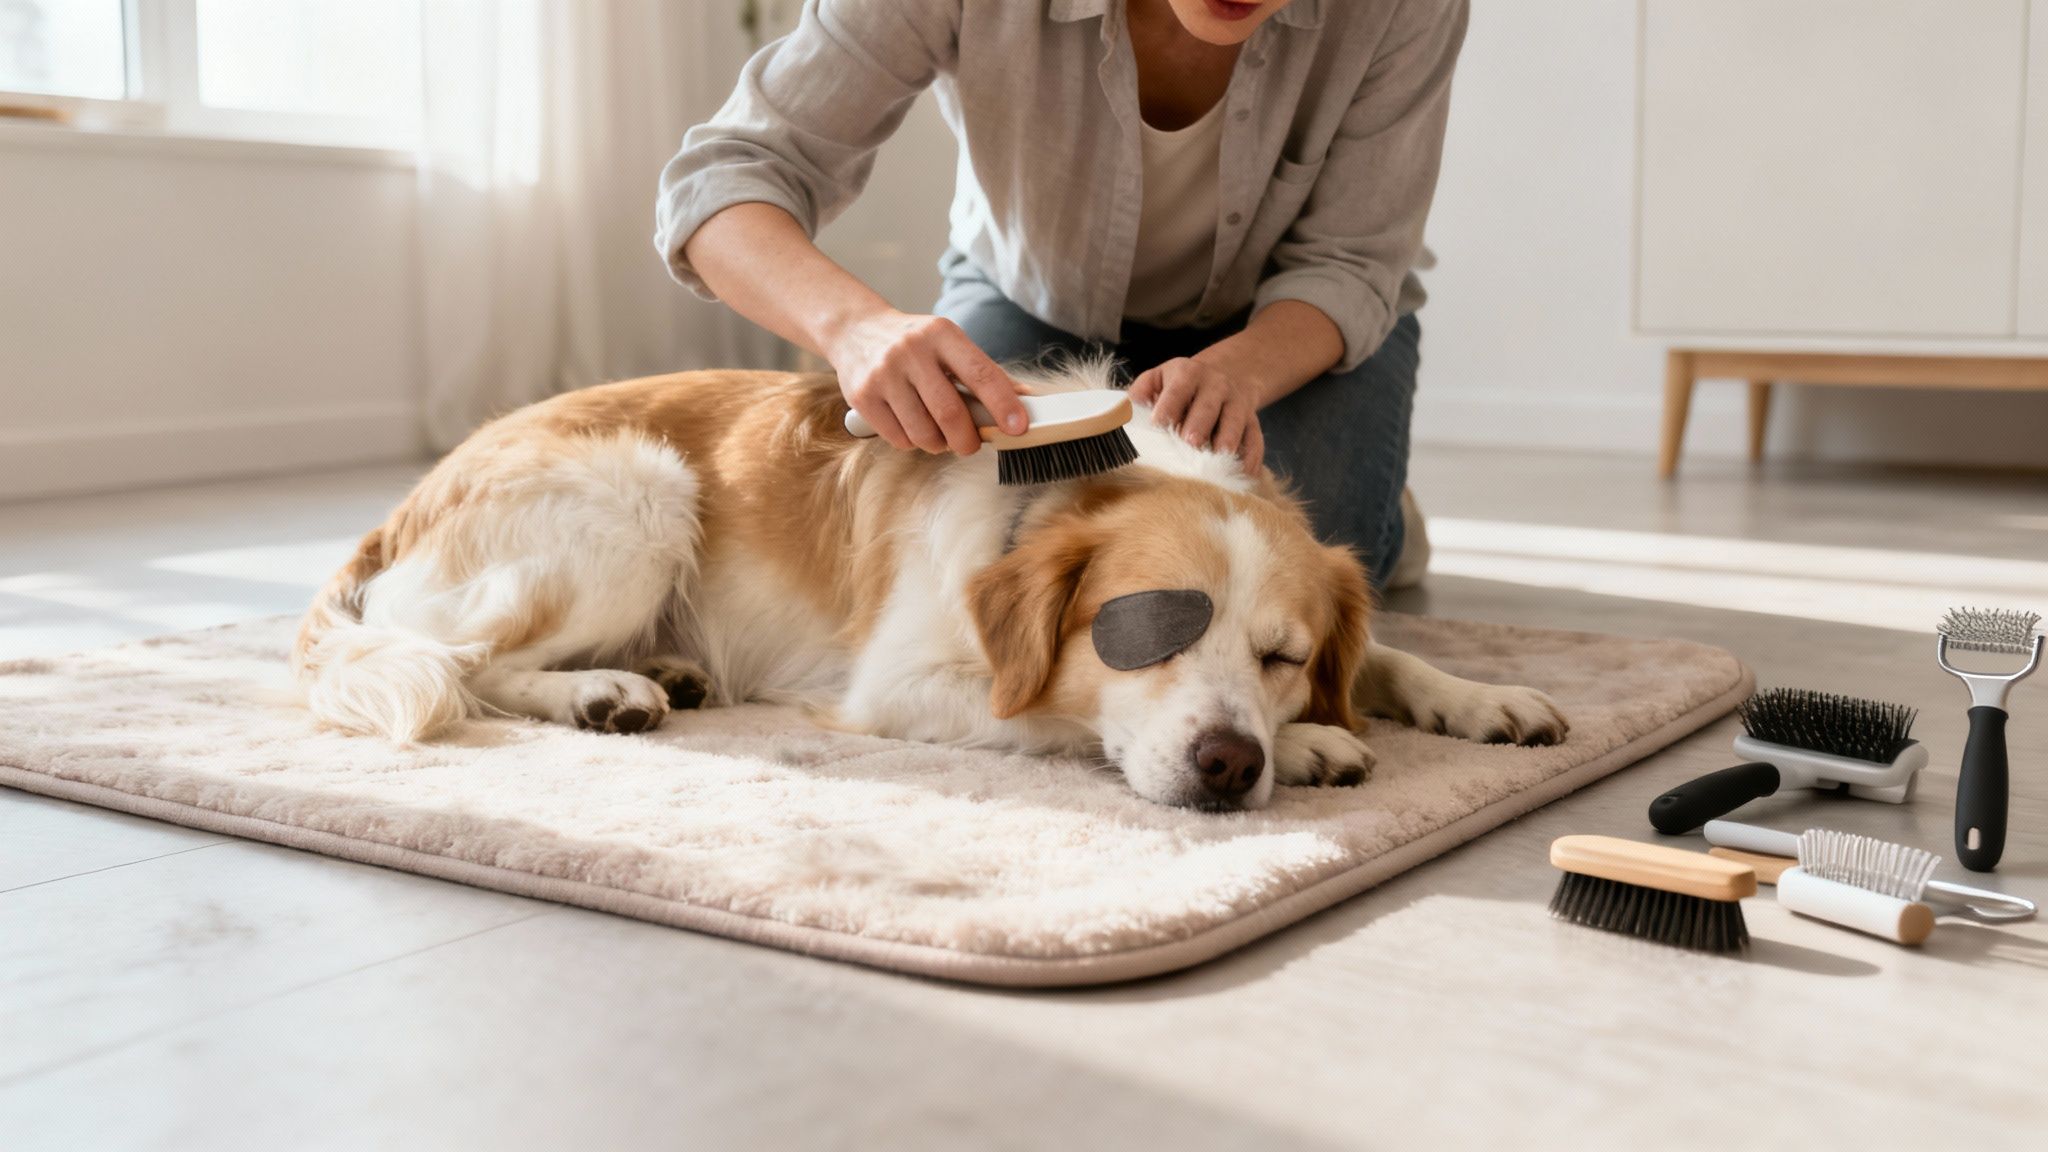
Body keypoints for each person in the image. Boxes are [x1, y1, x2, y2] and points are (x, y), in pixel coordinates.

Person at [657, 0, 1465, 589]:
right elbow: (722, 180)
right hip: (1035, 298)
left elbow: (1353, 260)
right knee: (961, 549)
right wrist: (854, 327)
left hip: (1284, 329)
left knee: (1295, 564)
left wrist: (1244, 373)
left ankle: (1378, 500)